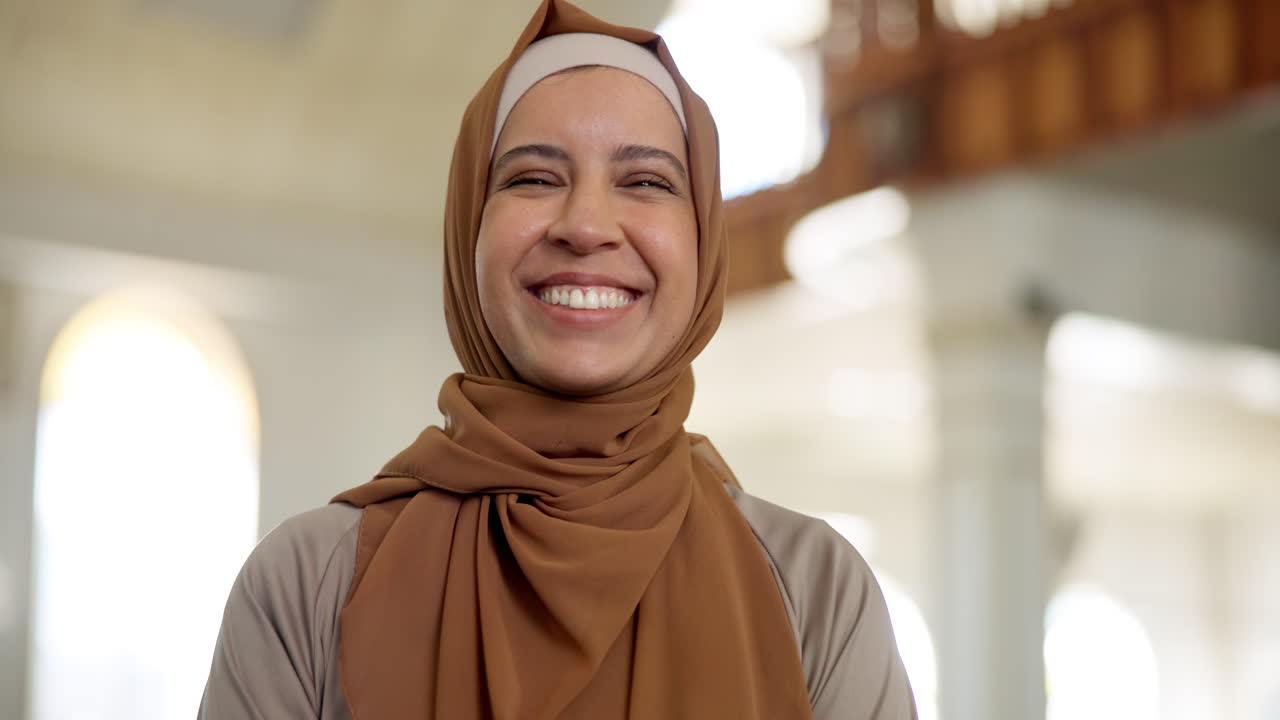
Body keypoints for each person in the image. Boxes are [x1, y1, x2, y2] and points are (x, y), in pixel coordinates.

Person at [198, 1, 916, 718]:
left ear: (703, 242)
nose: (586, 226)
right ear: (468, 229)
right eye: (535, 179)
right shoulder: (308, 582)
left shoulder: (816, 591)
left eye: (646, 182)